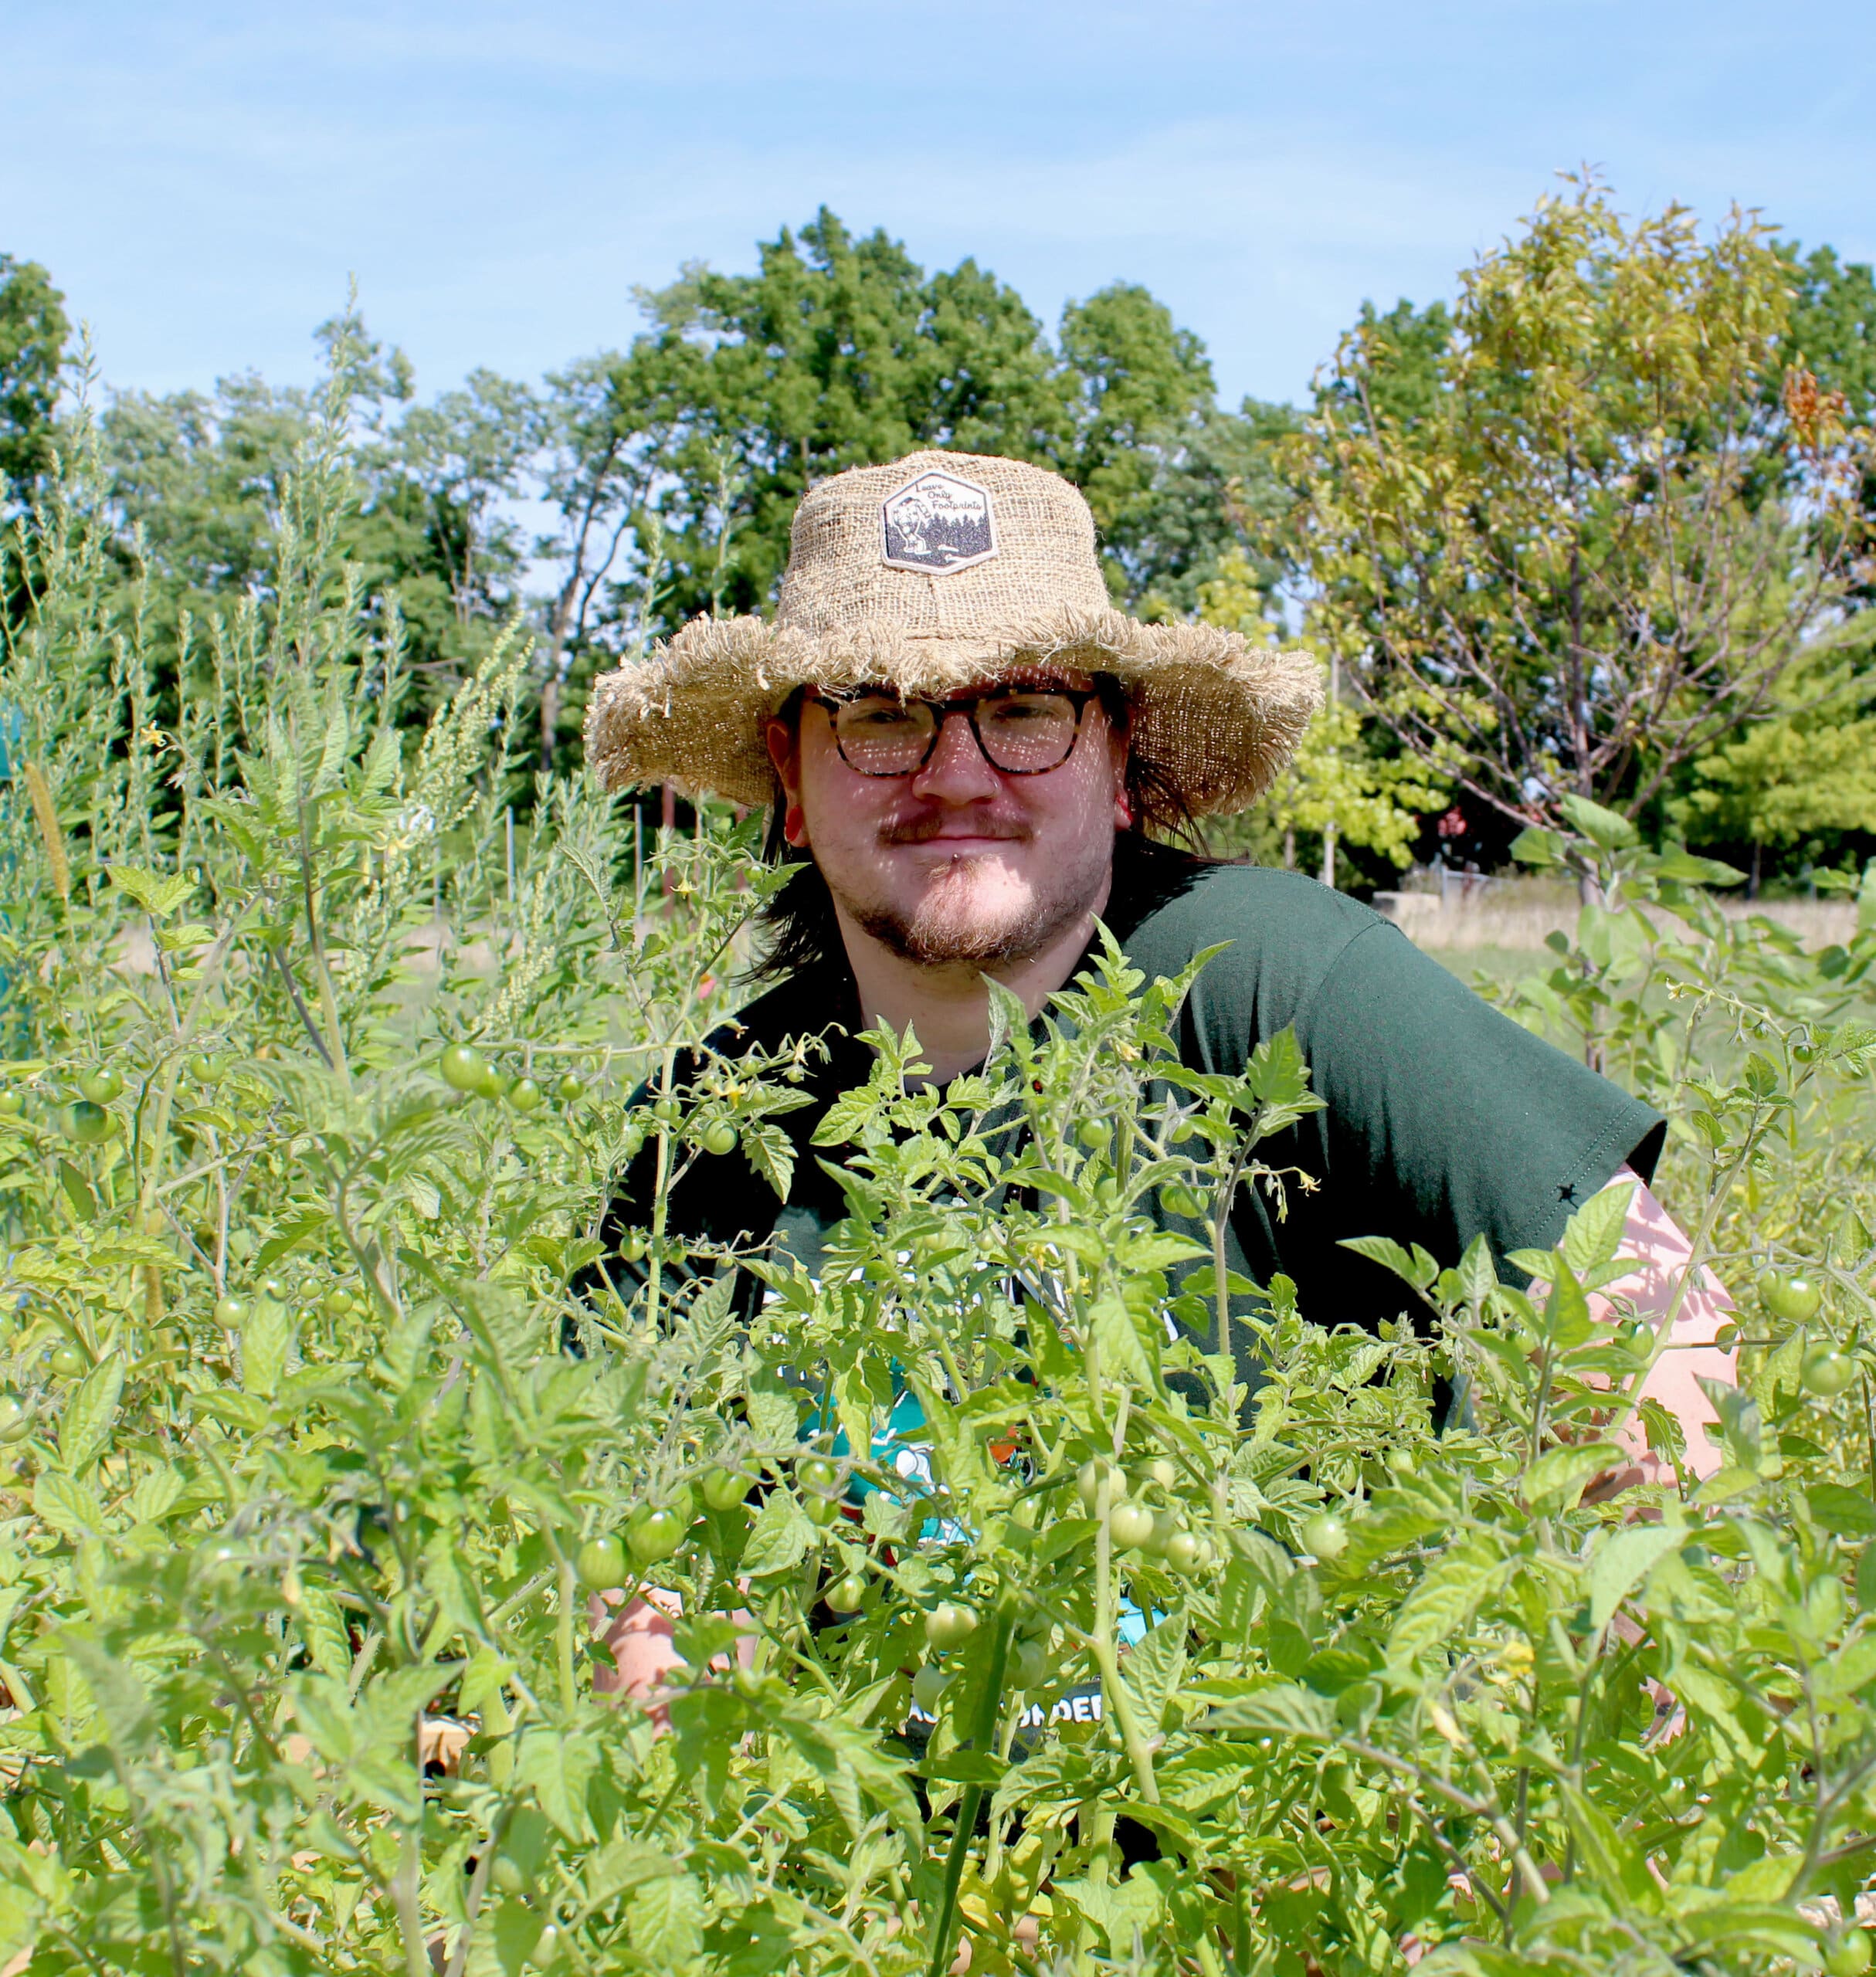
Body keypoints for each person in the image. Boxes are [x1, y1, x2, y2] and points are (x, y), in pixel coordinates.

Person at [582, 449, 1735, 1694]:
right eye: (877, 714)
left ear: (1117, 759)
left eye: (1021, 710)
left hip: (1310, 1829)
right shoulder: (715, 1120)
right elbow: (651, 1589)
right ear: (792, 779)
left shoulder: (1275, 983)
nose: (953, 771)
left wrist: (1601, 1770)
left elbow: (1654, 1327)